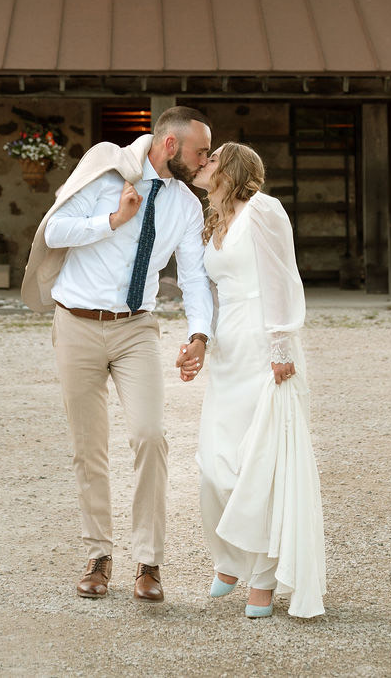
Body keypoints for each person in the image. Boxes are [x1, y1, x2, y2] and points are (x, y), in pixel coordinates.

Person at [21, 106, 213, 604]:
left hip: (136, 330)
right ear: (171, 146)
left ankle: (149, 563)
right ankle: (98, 555)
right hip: (77, 324)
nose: (205, 159)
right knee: (90, 447)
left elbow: (192, 275)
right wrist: (114, 219)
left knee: (151, 437)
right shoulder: (105, 167)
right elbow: (54, 231)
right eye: (200, 151)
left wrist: (200, 334)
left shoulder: (187, 206)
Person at [182, 141, 326, 619]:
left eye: (212, 159)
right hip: (229, 350)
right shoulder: (212, 222)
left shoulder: (263, 210)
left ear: (233, 170)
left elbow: (283, 278)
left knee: (261, 466)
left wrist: (282, 347)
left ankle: (262, 579)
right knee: (215, 464)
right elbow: (209, 290)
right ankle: (230, 558)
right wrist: (201, 340)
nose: (202, 164)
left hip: (264, 349)